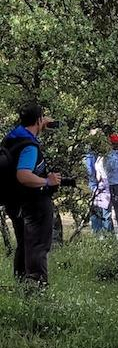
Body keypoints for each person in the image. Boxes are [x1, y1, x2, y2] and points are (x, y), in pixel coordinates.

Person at [2, 103, 61, 285]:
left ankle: (21, 283)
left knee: (23, 243)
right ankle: (36, 285)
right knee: (38, 244)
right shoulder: (29, 147)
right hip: (32, 202)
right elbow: (24, 175)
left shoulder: (13, 137)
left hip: (14, 201)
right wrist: (47, 181)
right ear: (38, 120)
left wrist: (42, 124)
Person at [85, 151, 113, 235]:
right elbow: (91, 170)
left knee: (105, 213)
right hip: (99, 185)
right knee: (97, 211)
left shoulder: (105, 156)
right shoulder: (95, 156)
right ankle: (99, 234)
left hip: (104, 185)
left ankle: (106, 235)